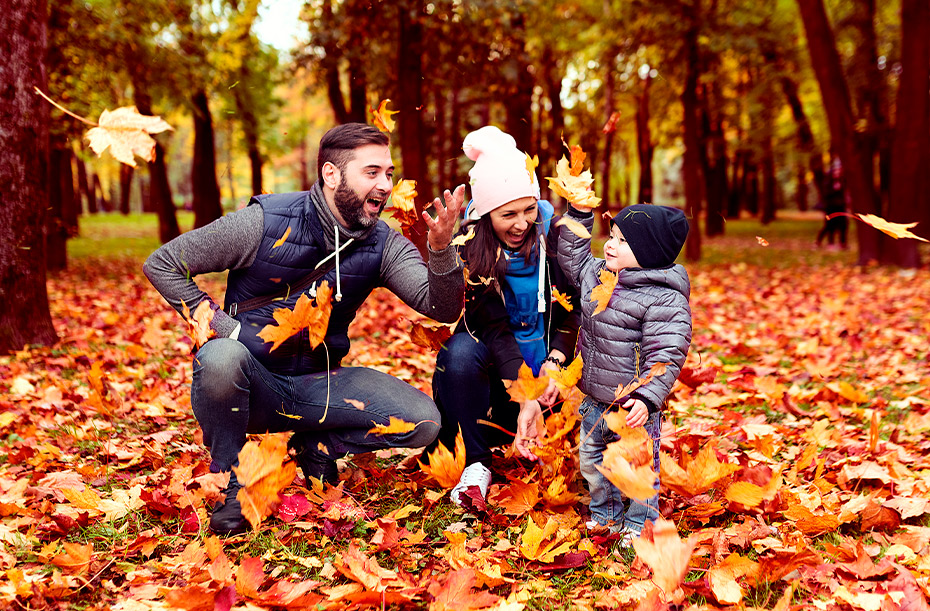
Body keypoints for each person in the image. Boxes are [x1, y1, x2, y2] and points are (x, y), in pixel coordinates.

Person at [143, 123, 466, 535]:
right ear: (331, 175)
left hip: (320, 385)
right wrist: (230, 330)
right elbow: (164, 263)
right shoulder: (264, 221)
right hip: (252, 384)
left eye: (388, 173)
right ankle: (233, 483)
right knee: (219, 356)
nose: (385, 184)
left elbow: (440, 306)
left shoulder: (382, 243)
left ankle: (315, 448)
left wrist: (440, 250)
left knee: (423, 420)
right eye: (372, 172)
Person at [425, 126, 580, 505]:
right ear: (486, 212)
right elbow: (492, 328)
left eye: (529, 209)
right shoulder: (471, 250)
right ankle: (477, 463)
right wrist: (523, 390)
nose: (522, 223)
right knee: (457, 352)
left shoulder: (556, 237)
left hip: (549, 381)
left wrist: (557, 362)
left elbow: (570, 309)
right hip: (494, 383)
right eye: (508, 214)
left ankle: (550, 438)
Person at [532, 201, 691, 536]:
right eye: (611, 235)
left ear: (649, 252)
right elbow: (573, 259)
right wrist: (578, 214)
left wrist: (648, 398)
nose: (609, 244)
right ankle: (606, 515)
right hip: (595, 399)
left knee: (637, 468)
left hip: (633, 408)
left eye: (621, 241)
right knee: (593, 462)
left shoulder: (663, 299)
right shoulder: (600, 274)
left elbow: (667, 353)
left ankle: (639, 525)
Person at [815, 156, 849, 250]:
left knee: (843, 225)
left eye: (839, 170)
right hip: (830, 207)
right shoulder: (828, 182)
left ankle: (843, 243)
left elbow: (844, 194)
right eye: (836, 170)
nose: (837, 172)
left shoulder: (842, 181)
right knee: (830, 226)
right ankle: (827, 242)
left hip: (840, 206)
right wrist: (834, 190)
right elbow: (825, 194)